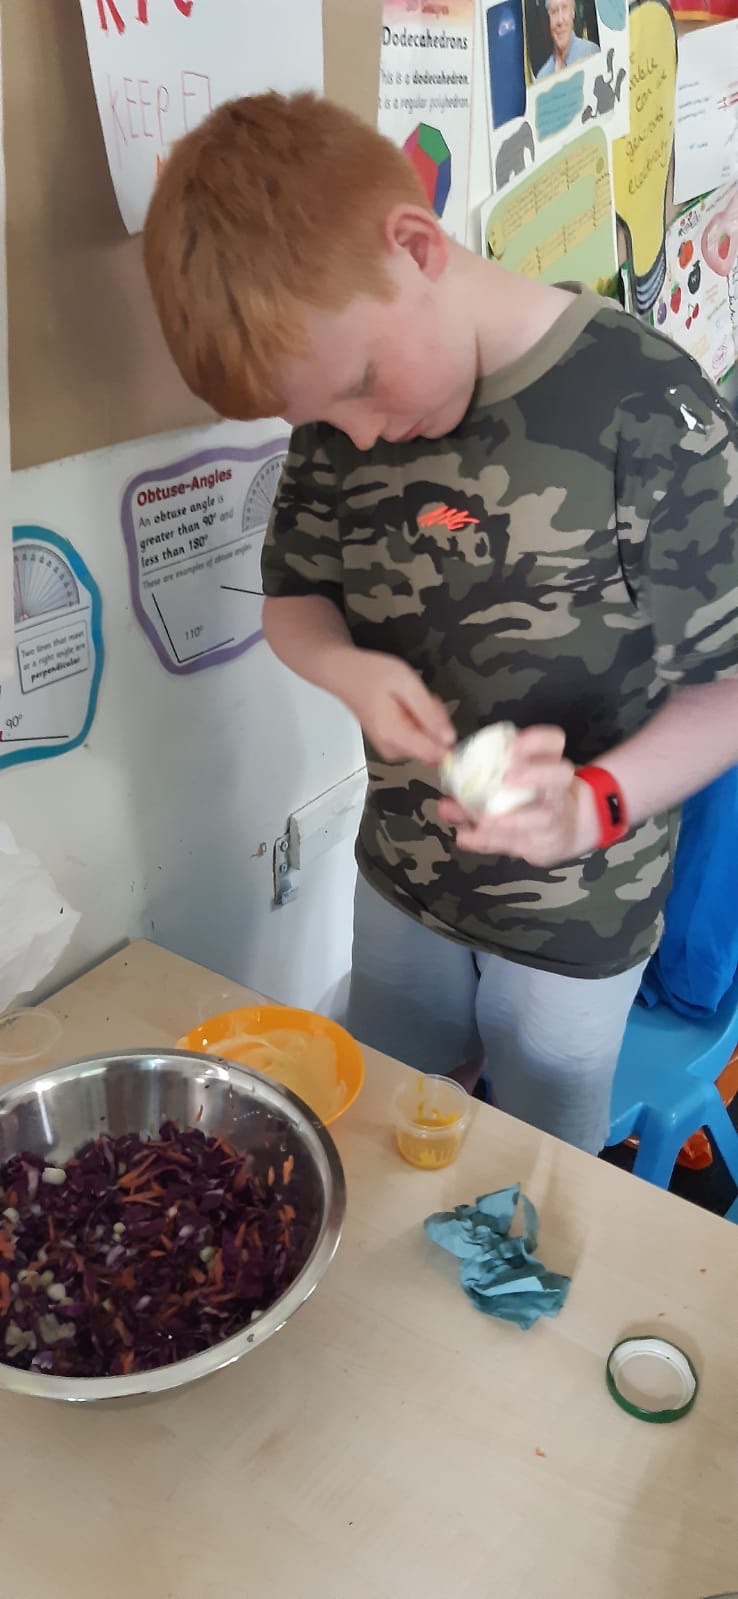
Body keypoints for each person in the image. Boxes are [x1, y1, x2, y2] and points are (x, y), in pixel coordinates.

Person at [143, 92, 738, 1156]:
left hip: (578, 912)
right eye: (321, 418)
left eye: (364, 386)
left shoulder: (648, 408)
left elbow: (726, 690)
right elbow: (295, 599)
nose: (361, 434)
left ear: (416, 246)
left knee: (536, 1164)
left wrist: (599, 800)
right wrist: (348, 670)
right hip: (405, 881)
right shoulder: (342, 418)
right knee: (381, 1128)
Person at [535, 0, 599, 77]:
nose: (560, 20)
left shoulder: (591, 53)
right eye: (554, 11)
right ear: (548, 19)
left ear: (573, 12)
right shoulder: (542, 76)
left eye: (565, 8)